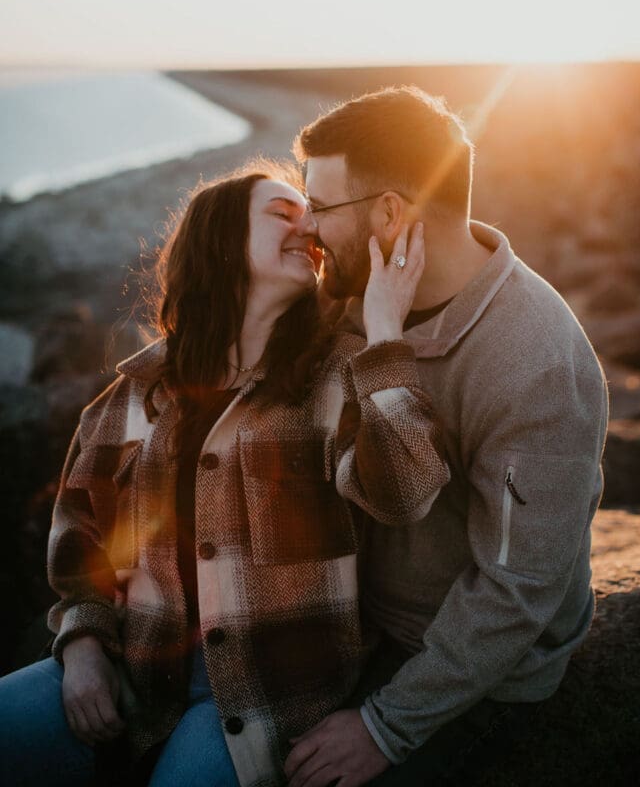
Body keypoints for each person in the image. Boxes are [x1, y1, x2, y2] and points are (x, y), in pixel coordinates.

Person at [0, 160, 450, 787]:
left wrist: (383, 331)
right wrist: (81, 650)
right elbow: (81, 552)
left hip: (264, 702)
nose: (309, 226)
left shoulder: (338, 376)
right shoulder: (131, 398)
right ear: (220, 242)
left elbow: (408, 493)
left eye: (310, 214)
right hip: (131, 670)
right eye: (282, 213)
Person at [285, 86, 608, 787]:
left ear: (390, 213)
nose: (308, 227)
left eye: (321, 207)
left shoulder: (533, 359)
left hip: (468, 666)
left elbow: (517, 583)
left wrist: (385, 725)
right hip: (360, 624)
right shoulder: (346, 298)